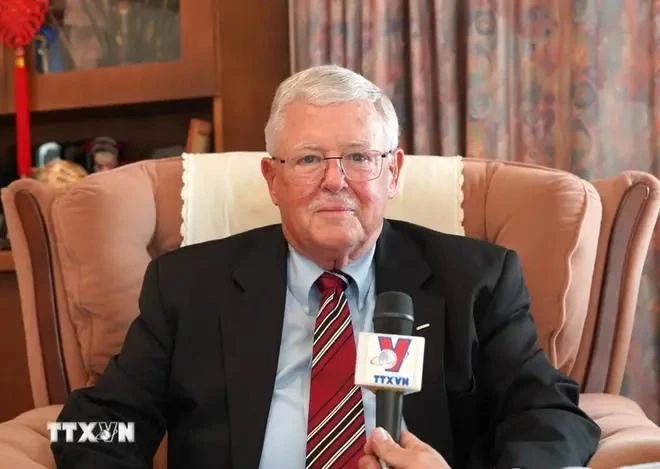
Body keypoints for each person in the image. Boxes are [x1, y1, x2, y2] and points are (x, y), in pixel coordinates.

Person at [52, 65, 600, 468]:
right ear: (272, 179)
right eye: (310, 159)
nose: (335, 181)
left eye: (360, 157)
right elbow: (99, 425)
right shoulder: (189, 285)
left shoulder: (476, 280)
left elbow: (550, 416)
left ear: (394, 172)